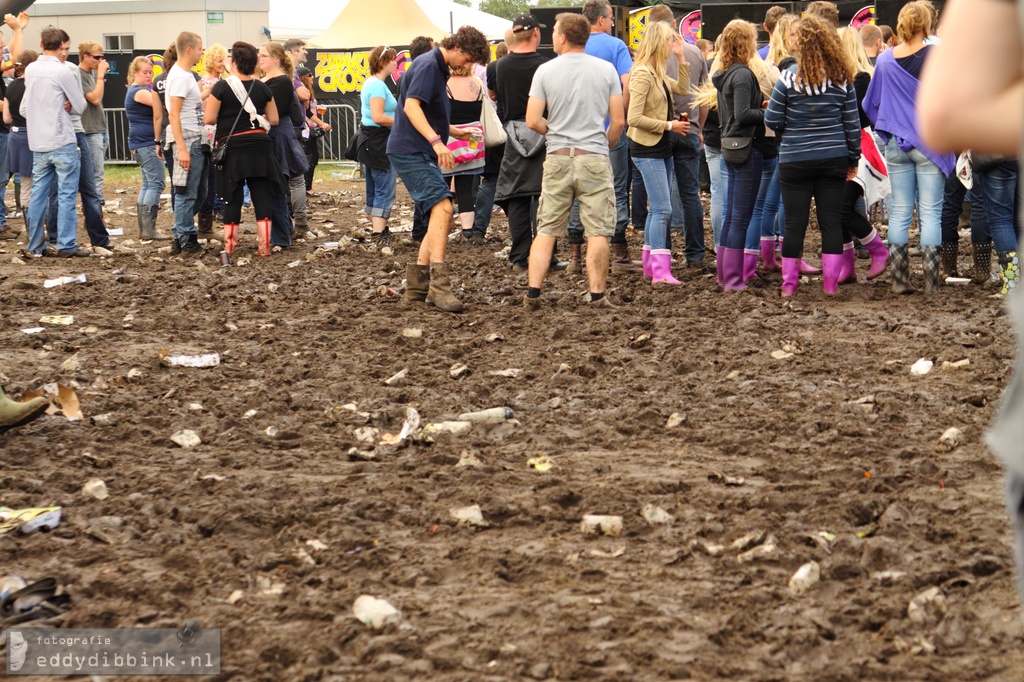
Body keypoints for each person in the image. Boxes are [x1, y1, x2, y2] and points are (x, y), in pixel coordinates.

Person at [917, 0, 1024, 607]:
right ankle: (998, 273)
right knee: (986, 218)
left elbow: (950, 108)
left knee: (943, 216)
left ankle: (953, 275)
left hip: (984, 154)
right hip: (1002, 157)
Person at [524, 12, 623, 308]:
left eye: (554, 31)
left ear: (563, 37)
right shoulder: (606, 70)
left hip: (557, 157)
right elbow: (618, 121)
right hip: (593, 155)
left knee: (546, 229)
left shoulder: (545, 71)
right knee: (599, 230)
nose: (552, 35)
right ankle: (596, 295)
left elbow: (531, 120)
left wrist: (554, 132)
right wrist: (602, 145)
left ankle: (533, 294)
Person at [389, 25, 488, 313]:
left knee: (437, 214)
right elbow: (411, 107)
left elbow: (429, 112)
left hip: (415, 149)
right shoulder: (429, 66)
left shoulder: (437, 67)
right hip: (411, 150)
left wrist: (454, 134)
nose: (467, 67)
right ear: (458, 49)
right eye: (468, 60)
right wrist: (436, 141)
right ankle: (439, 286)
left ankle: (417, 288)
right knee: (445, 209)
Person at [765, 15, 861, 297]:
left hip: (794, 158)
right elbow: (851, 124)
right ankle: (830, 286)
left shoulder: (787, 78)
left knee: (795, 223)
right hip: (833, 157)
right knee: (830, 222)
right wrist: (853, 158)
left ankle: (789, 286)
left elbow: (771, 119)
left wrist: (791, 127)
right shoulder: (842, 78)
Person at [863, 0, 954, 294]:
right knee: (930, 213)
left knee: (899, 211)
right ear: (927, 24)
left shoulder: (885, 60)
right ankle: (931, 283)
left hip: (896, 147)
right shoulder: (938, 56)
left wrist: (892, 127)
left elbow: (871, 105)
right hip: (930, 145)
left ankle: (900, 281)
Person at [565, 0, 639, 274]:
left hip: (575, 131)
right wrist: (624, 116)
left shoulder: (570, 48)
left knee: (576, 190)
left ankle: (574, 256)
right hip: (609, 128)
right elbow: (627, 82)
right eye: (610, 19)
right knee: (617, 189)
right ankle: (619, 254)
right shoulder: (616, 46)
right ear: (601, 20)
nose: (611, 23)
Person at [626, 22, 690, 285]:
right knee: (663, 208)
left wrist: (680, 56)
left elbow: (683, 89)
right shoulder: (642, 74)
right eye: (668, 42)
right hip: (647, 148)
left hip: (660, 147)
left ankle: (652, 267)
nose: (670, 46)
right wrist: (669, 125)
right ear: (656, 43)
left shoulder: (657, 72)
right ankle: (660, 272)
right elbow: (634, 117)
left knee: (656, 210)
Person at [205, 41, 280, 258]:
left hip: (234, 147)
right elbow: (273, 119)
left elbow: (209, 118)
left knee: (233, 196)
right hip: (260, 146)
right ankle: (264, 247)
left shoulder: (221, 87)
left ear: (235, 62)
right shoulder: (262, 87)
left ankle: (230, 247)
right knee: (261, 195)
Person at [649, 4, 708, 269]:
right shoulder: (695, 52)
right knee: (690, 194)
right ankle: (695, 254)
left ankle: (662, 253)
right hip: (689, 128)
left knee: (659, 200)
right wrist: (699, 128)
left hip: (659, 129)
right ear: (674, 24)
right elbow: (704, 99)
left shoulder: (648, 55)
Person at [23, 26, 86, 258]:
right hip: (62, 140)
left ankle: (35, 244)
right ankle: (66, 244)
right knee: (66, 194)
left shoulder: (30, 69)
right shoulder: (63, 72)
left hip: (38, 142)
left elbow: (28, 104)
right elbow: (80, 106)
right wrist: (68, 103)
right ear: (61, 47)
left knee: (39, 195)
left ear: (41, 45)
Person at [712, 20, 766, 291]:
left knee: (732, 216)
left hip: (729, 147)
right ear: (745, 42)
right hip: (746, 149)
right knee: (740, 217)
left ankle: (725, 275)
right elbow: (743, 114)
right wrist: (767, 113)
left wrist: (758, 105)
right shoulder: (743, 74)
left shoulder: (725, 74)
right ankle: (733, 280)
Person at [493, 14, 549, 273]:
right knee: (545, 196)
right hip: (544, 131)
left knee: (516, 197)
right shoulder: (547, 65)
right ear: (536, 33)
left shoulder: (501, 66)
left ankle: (519, 257)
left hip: (513, 134)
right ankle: (546, 255)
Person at [836, 26, 890, 282]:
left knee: (843, 208)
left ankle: (878, 249)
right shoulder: (859, 76)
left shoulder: (858, 78)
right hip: (848, 146)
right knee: (839, 208)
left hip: (855, 147)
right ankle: (848, 268)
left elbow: (854, 117)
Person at [259, 40, 308, 246]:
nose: (259, 59)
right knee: (277, 185)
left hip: (278, 134)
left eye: (263, 55)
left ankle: (284, 233)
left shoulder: (281, 82)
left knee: (279, 184)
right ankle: (285, 230)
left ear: (276, 58)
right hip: (272, 133)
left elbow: (273, 114)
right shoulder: (267, 80)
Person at [471, 32, 514, 244]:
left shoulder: (494, 68)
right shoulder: (539, 65)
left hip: (500, 126)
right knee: (528, 184)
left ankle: (478, 229)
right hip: (527, 129)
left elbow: (492, 95)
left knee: (490, 181)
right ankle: (526, 234)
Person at [167, 31, 207, 254]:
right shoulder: (181, 77)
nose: (202, 52)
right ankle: (186, 238)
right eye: (200, 48)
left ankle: (179, 232)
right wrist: (182, 149)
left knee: (199, 192)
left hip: (194, 137)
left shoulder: (185, 75)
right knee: (187, 192)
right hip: (188, 139)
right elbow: (174, 114)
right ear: (189, 50)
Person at [125, 56, 170, 241]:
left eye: (151, 72)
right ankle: (149, 229)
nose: (149, 76)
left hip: (140, 142)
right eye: (145, 72)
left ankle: (146, 229)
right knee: (156, 183)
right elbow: (161, 103)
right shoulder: (140, 92)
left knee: (148, 184)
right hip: (147, 143)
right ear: (135, 73)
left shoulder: (136, 91)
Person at [357, 45, 398, 243]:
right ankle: (378, 233)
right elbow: (378, 116)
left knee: (374, 186)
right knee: (384, 186)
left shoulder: (372, 83)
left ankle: (378, 229)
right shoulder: (377, 86)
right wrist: (404, 121)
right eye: (392, 59)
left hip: (372, 141)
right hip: (380, 141)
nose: (395, 63)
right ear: (383, 62)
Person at [406, 35, 436, 245]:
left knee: (425, 190)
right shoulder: (422, 73)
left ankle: (422, 232)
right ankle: (421, 232)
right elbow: (412, 109)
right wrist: (435, 139)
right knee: (431, 193)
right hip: (419, 142)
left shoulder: (410, 73)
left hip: (420, 141)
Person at [196, 42, 226, 237]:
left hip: (222, 129)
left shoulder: (226, 80)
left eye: (224, 59)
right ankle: (210, 212)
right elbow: (202, 106)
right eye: (219, 60)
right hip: (209, 130)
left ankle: (220, 204)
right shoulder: (204, 82)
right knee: (211, 171)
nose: (222, 63)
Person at [3, 49, 33, 238]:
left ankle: (30, 228)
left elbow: (6, 118)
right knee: (40, 184)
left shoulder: (11, 86)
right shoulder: (32, 85)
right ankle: (39, 228)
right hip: (32, 136)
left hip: (15, 136)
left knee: (24, 183)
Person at [77, 40, 108, 204]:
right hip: (90, 130)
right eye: (96, 57)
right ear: (85, 56)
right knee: (95, 175)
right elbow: (95, 99)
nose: (100, 61)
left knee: (98, 173)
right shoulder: (78, 75)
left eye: (101, 57)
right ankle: (95, 215)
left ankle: (95, 212)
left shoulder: (91, 74)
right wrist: (101, 76)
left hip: (100, 128)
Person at [297, 66, 329, 197]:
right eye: (310, 75)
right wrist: (320, 123)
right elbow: (305, 112)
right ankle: (306, 187)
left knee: (313, 157)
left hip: (309, 127)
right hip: (304, 129)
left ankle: (307, 186)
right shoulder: (301, 93)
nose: (313, 77)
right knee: (309, 158)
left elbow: (309, 111)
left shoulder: (308, 92)